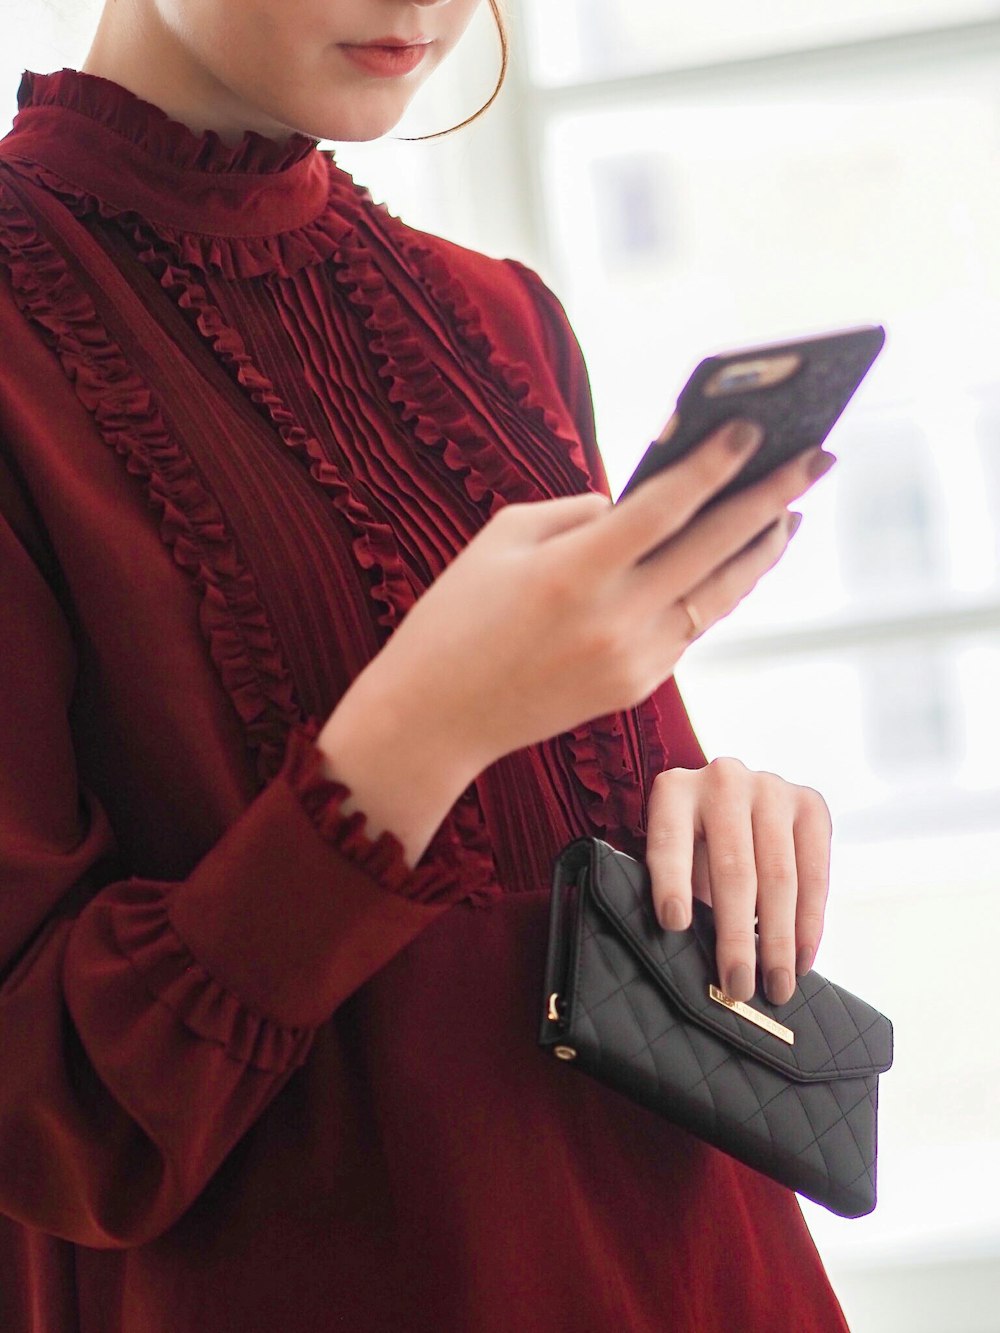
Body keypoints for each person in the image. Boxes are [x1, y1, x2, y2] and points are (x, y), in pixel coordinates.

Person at [0, 2, 849, 1329]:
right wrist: (415, 737)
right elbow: (46, 1113)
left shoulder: (500, 314)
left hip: (705, 1271)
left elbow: (573, 844)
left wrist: (710, 818)